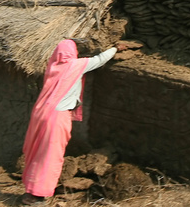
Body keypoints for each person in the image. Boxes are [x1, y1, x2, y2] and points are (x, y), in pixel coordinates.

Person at [20, 38, 127, 205]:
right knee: (50, 156)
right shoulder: (74, 65)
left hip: (41, 113)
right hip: (56, 117)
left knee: (38, 151)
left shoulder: (53, 66)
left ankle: (29, 191)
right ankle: (37, 196)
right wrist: (115, 48)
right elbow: (99, 60)